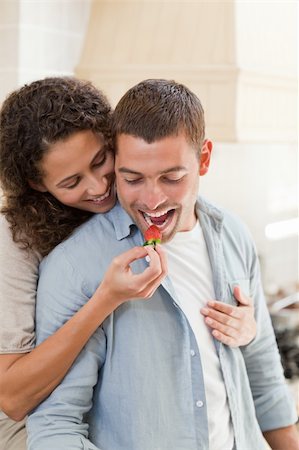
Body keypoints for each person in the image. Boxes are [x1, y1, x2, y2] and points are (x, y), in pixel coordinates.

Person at [27, 79, 298, 449]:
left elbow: (264, 376)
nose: (152, 200)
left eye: (171, 178)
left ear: (203, 159)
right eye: (132, 179)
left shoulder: (233, 234)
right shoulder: (75, 268)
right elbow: (55, 427)